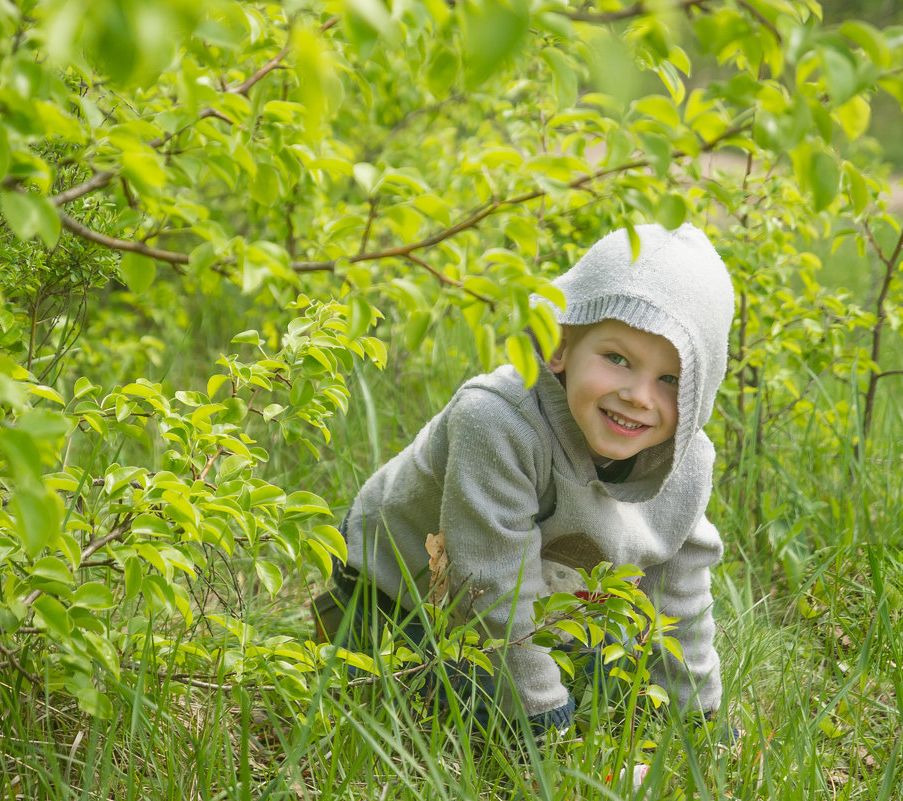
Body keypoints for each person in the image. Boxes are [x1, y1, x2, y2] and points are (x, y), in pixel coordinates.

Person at [313, 222, 735, 738]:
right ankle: (345, 627)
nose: (639, 396)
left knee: (607, 684)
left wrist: (692, 715)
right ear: (560, 346)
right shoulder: (497, 420)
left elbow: (681, 590)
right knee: (441, 709)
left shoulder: (684, 461)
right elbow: (490, 582)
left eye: (670, 379)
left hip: (537, 596)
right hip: (401, 588)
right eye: (617, 358)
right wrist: (541, 722)